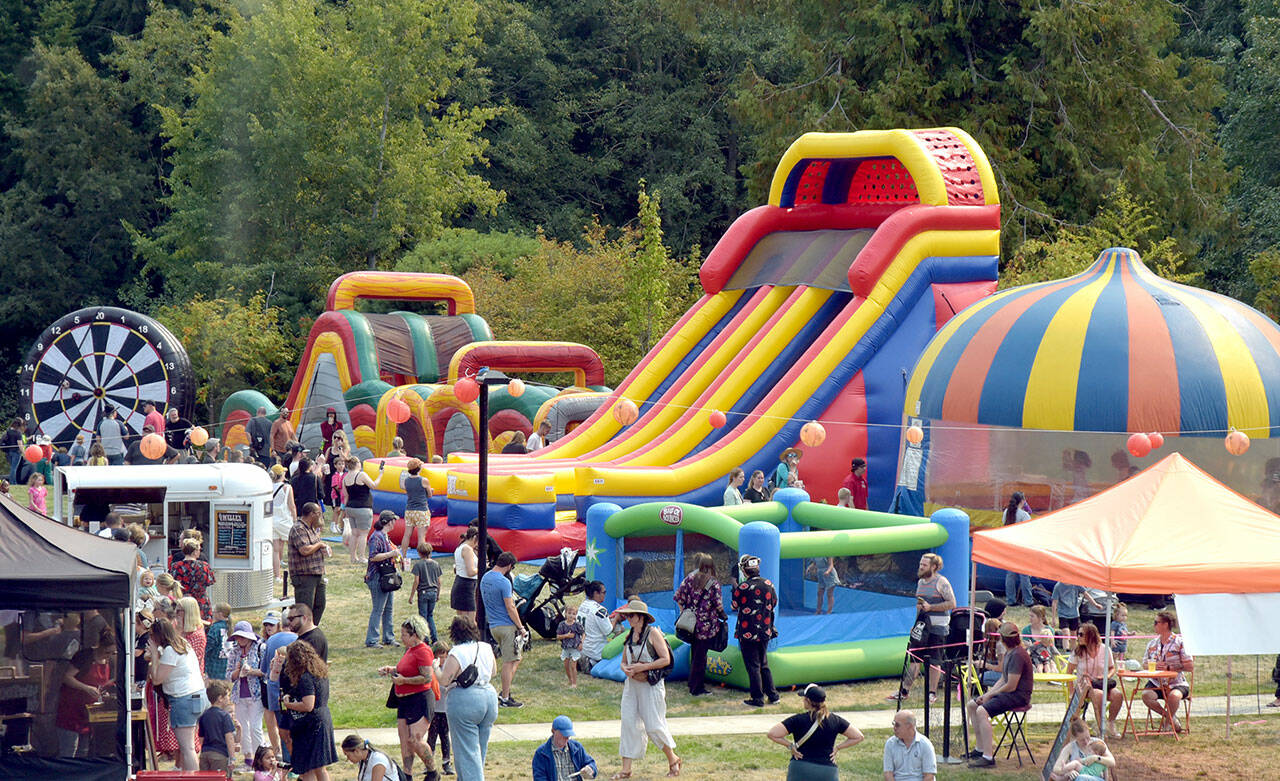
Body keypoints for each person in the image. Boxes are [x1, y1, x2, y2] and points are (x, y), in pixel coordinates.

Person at [615, 598, 681, 778]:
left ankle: (673, 759)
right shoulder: (630, 635)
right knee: (628, 723)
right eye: (628, 616)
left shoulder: (653, 634)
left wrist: (641, 667)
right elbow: (623, 661)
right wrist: (626, 669)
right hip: (632, 686)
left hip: (651, 686)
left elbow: (665, 659)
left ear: (641, 617)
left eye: (632, 616)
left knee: (653, 725)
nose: (629, 619)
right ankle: (625, 769)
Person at [379, 616, 440, 780]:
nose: (401, 637)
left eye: (404, 634)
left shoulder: (423, 651)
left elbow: (426, 678)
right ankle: (407, 774)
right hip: (404, 702)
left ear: (415, 635)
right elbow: (406, 670)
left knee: (415, 739)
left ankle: (433, 771)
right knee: (405, 740)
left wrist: (403, 681)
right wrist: (391, 670)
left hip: (419, 700)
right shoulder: (409, 650)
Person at [966, 622, 1034, 769]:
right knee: (972, 705)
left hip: (1018, 696)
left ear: (1002, 639)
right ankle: (980, 749)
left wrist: (991, 695)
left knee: (981, 711)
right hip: (1009, 693)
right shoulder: (1011, 652)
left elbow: (1011, 685)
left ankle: (988, 757)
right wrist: (988, 694)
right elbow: (1003, 679)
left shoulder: (1018, 655)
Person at [438, 616, 499, 780]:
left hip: (465, 700)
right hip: (489, 696)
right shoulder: (485, 647)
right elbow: (493, 671)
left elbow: (444, 680)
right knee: (479, 751)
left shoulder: (456, 652)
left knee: (467, 754)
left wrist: (434, 668)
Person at [766, 683, 863, 781]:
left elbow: (772, 734)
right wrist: (837, 748)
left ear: (808, 701)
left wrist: (790, 746)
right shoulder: (836, 720)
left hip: (800, 767)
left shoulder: (797, 719)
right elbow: (858, 736)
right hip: (827, 771)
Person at [892, 553, 954, 702]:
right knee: (914, 660)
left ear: (934, 567)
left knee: (934, 661)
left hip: (938, 628)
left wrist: (931, 606)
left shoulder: (941, 582)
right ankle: (904, 691)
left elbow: (952, 604)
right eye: (920, 564)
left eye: (924, 565)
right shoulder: (920, 582)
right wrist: (915, 625)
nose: (920, 567)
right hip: (922, 626)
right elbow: (919, 607)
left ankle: (932, 693)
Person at [149, 617, 208, 770]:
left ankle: (193, 778)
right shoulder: (183, 644)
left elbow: (156, 679)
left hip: (184, 700)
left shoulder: (170, 651)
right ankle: (186, 773)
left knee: (187, 748)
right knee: (187, 747)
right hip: (198, 695)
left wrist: (155, 655)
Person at [279, 640, 338, 780]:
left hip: (312, 725)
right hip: (323, 718)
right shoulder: (320, 673)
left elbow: (308, 705)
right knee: (319, 767)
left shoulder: (306, 677)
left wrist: (289, 704)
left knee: (307, 767)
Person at [55, 627, 115, 757]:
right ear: (100, 646)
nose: (108, 655)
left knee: (83, 752)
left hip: (88, 714)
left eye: (112, 653)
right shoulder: (84, 656)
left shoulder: (109, 661)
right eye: (107, 652)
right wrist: (86, 688)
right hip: (70, 710)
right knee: (69, 751)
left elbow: (104, 683)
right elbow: (66, 677)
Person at [672, 552, 725, 697]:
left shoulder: (689, 579)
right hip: (706, 627)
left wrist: (686, 612)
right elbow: (718, 605)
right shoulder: (713, 583)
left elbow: (678, 597)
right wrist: (723, 616)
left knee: (695, 653)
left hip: (691, 625)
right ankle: (697, 688)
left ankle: (692, 682)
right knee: (701, 657)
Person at [481, 551, 528, 707]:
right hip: (507, 627)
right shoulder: (504, 582)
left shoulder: (485, 578)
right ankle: (505, 697)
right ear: (509, 566)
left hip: (493, 626)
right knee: (509, 662)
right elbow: (510, 606)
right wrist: (521, 627)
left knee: (516, 658)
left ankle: (504, 691)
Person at [732, 553, 779, 707]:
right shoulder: (769, 584)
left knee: (753, 665)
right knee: (763, 663)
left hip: (748, 631)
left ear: (744, 571)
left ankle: (758, 698)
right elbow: (775, 602)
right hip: (765, 630)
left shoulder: (743, 587)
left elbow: (734, 606)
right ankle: (773, 695)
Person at [1140, 610, 1194, 733]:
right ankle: (1170, 717)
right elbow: (1144, 663)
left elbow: (1190, 666)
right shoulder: (1152, 643)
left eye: (1156, 622)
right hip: (1157, 683)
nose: (1154, 625)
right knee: (1146, 696)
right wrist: (1153, 666)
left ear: (1165, 624)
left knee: (1174, 697)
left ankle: (1167, 724)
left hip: (1176, 683)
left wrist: (1169, 667)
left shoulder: (1180, 642)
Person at [1066, 623, 1123, 737]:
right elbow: (1069, 672)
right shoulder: (1077, 651)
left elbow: (1112, 668)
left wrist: (1106, 677)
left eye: (1081, 634)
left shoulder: (1105, 649)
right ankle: (1100, 726)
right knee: (1099, 695)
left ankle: (1110, 723)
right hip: (1085, 686)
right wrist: (1071, 692)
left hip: (1102, 683)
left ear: (1091, 635)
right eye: (1078, 634)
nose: (1078, 637)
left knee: (1118, 695)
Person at [228, 620, 268, 768]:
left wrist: (250, 671)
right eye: (238, 637)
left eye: (243, 636)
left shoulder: (261, 648)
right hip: (239, 695)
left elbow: (266, 672)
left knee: (255, 728)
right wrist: (238, 672)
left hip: (256, 695)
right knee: (242, 727)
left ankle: (261, 759)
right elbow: (228, 676)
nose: (240, 640)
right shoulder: (234, 652)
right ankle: (248, 758)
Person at [289, 502, 332, 625]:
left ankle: (312, 628)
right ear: (312, 514)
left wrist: (324, 549)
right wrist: (319, 545)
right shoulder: (298, 528)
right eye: (318, 513)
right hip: (304, 575)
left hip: (318, 573)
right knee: (304, 609)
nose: (320, 516)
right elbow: (304, 550)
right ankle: (303, 633)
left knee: (320, 604)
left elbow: (314, 547)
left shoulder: (312, 529)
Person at [366, 512, 403, 648]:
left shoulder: (385, 536)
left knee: (388, 608)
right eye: (394, 520)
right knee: (378, 609)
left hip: (387, 577)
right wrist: (391, 554)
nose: (395, 523)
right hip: (377, 577)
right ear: (388, 522)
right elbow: (373, 557)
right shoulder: (377, 537)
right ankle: (372, 640)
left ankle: (388, 637)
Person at [532, 715, 598, 781]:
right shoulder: (541, 754)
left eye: (569, 734)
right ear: (553, 731)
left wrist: (590, 769)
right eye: (564, 734)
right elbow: (539, 778)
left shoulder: (577, 748)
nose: (567, 737)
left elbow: (591, 763)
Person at [1050, 718, 1116, 781]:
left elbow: (1112, 762)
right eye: (1082, 740)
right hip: (1078, 777)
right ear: (1075, 738)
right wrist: (1069, 772)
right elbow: (1056, 768)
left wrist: (1095, 758)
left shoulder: (1098, 744)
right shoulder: (1070, 747)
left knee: (1081, 778)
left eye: (1088, 737)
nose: (1086, 742)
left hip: (1095, 778)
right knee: (1078, 777)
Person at [578, 581, 623, 672]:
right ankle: (592, 662)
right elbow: (608, 631)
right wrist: (616, 619)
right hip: (596, 651)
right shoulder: (600, 610)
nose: (605, 595)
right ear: (596, 593)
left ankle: (583, 660)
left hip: (582, 648)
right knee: (621, 632)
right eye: (604, 592)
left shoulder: (582, 605)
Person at [198, 680, 241, 773]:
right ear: (220, 698)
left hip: (204, 754)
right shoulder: (225, 716)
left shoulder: (204, 715)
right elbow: (229, 738)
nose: (229, 698)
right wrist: (232, 758)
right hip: (219, 755)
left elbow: (201, 738)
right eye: (227, 696)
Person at [171, 538, 217, 621]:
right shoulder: (204, 566)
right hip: (201, 602)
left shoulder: (176, 566)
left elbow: (172, 584)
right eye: (199, 550)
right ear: (194, 551)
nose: (199, 552)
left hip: (183, 603)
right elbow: (210, 582)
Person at [883, 710, 936, 781]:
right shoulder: (890, 744)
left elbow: (929, 776)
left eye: (897, 725)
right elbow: (888, 774)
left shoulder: (925, 745)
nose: (894, 728)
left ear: (909, 726)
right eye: (893, 724)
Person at [1001, 492, 1034, 607]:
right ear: (1022, 501)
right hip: (1021, 548)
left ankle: (1011, 599)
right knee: (1024, 575)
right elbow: (1029, 532)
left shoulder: (1006, 512)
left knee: (1010, 575)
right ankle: (1028, 601)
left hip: (1009, 547)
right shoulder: (1024, 515)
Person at [345, 457, 379, 564]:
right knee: (363, 534)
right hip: (363, 507)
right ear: (357, 464)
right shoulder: (361, 475)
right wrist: (381, 475)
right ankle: (361, 557)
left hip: (350, 507)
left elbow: (345, 495)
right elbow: (373, 485)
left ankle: (352, 557)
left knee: (354, 533)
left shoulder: (346, 478)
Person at [1051, 582, 1100, 652]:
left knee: (1073, 635)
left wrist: (1095, 604)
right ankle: (1066, 651)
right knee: (1066, 633)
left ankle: (1073, 652)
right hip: (1063, 614)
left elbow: (1086, 594)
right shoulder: (1058, 586)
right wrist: (1053, 618)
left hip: (1074, 614)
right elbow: (1054, 602)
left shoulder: (1076, 584)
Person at [410, 540, 443, 643]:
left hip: (423, 593)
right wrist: (438, 594)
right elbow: (439, 582)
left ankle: (425, 639)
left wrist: (411, 596)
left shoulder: (418, 565)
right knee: (430, 615)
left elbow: (416, 581)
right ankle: (435, 638)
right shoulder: (436, 564)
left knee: (423, 617)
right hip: (433, 591)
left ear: (419, 553)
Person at [428, 640, 453, 775]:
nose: (442, 660)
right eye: (439, 657)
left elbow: (447, 685)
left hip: (445, 709)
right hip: (434, 709)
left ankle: (446, 763)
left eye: (444, 656)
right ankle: (429, 763)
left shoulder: (448, 670)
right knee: (431, 736)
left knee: (444, 736)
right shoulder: (432, 669)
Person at [269, 464, 297, 583]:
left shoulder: (268, 487)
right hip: (284, 520)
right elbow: (292, 506)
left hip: (272, 520)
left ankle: (277, 576)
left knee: (276, 549)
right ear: (281, 475)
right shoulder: (287, 488)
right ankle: (295, 572)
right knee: (294, 547)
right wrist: (295, 520)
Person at [400, 458, 434, 548]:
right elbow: (429, 495)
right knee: (421, 536)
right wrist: (431, 491)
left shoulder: (406, 480)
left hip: (409, 510)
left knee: (407, 535)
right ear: (419, 468)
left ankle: (403, 555)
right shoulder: (424, 480)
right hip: (421, 510)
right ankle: (422, 557)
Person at [341, 734, 405, 781]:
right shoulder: (362, 761)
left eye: (347, 755)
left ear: (356, 751)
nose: (348, 759)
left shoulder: (378, 760)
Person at [451, 528, 480, 622]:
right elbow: (471, 572)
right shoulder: (467, 549)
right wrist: (482, 568)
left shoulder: (460, 547)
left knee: (462, 620)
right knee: (470, 621)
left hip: (461, 582)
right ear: (474, 538)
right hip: (467, 585)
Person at [1022, 605, 1057, 672]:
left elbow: (1051, 646)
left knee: (1052, 666)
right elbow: (1026, 648)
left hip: (1046, 657)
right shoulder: (1026, 630)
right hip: (1033, 657)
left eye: (1032, 616)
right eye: (1030, 616)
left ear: (1040, 617)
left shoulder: (1049, 630)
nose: (1030, 618)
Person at [556, 607, 585, 687]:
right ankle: (570, 680)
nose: (571, 616)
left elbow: (583, 633)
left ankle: (574, 683)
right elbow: (558, 636)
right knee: (566, 666)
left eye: (573, 614)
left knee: (573, 666)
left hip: (575, 647)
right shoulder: (562, 624)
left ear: (576, 615)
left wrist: (581, 643)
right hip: (566, 647)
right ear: (565, 614)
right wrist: (566, 636)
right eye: (569, 613)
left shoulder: (577, 625)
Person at [206, 602, 232, 680]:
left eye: (214, 612)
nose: (212, 614)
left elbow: (208, 647)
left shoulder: (215, 628)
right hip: (226, 665)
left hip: (214, 668)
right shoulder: (229, 627)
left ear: (220, 614)